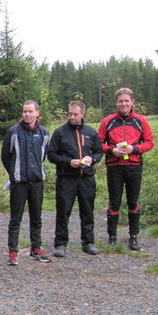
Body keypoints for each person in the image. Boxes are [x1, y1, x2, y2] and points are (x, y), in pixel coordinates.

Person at [98, 88, 155, 250]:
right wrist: (111, 151)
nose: (123, 104)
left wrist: (134, 149)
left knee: (133, 201)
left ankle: (133, 237)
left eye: (126, 101)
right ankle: (112, 237)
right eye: (121, 101)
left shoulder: (140, 121)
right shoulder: (107, 121)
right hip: (114, 166)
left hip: (134, 165)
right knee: (114, 201)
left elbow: (150, 142)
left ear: (132, 102)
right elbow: (98, 143)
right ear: (116, 103)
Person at [47, 100, 103, 257]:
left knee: (87, 210)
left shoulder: (91, 132)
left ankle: (88, 242)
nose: (72, 117)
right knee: (63, 211)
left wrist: (92, 159)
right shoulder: (60, 132)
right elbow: (51, 154)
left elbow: (99, 151)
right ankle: (60, 244)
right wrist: (68, 162)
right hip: (66, 178)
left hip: (86, 177)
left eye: (75, 114)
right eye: (70, 114)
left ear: (82, 114)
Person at [1, 100, 52, 265]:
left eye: (30, 111)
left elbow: (43, 155)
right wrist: (14, 173)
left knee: (36, 217)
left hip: (36, 181)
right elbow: (6, 156)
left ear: (37, 113)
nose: (27, 114)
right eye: (25, 111)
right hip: (19, 182)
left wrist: (35, 171)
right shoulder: (13, 131)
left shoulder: (44, 133)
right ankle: (13, 252)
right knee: (15, 218)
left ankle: (36, 249)